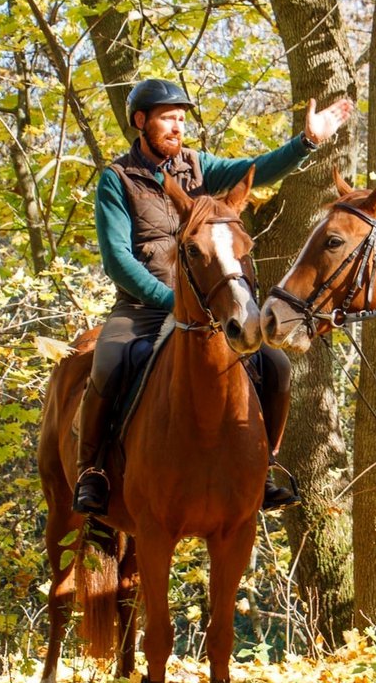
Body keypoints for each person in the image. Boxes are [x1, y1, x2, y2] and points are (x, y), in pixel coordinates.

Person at [73, 78, 353, 517]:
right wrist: (169, 300)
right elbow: (116, 260)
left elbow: (257, 167)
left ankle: (265, 467)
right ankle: (92, 471)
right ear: (140, 121)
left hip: (208, 309)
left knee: (276, 365)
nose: (177, 127)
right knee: (108, 363)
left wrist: (306, 143)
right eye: (168, 118)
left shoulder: (199, 167)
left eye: (181, 119)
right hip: (144, 308)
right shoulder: (118, 180)